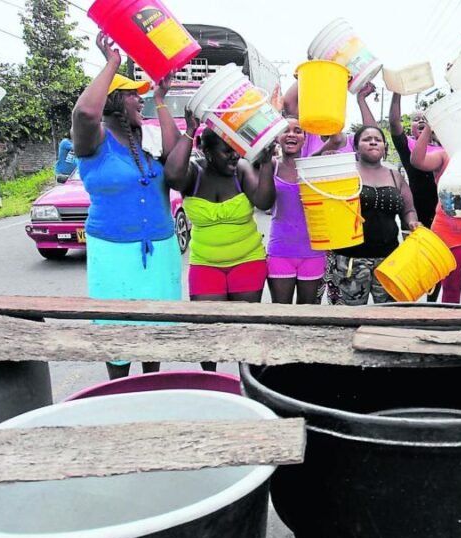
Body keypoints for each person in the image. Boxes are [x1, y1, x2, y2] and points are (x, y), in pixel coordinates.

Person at [71, 33, 182, 380]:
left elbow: (177, 156)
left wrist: (161, 99)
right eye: (133, 95)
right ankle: (119, 391)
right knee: (116, 333)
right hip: (114, 253)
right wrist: (112, 63)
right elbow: (86, 112)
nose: (140, 100)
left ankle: (150, 385)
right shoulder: (94, 142)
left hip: (160, 249)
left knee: (155, 332)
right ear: (115, 101)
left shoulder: (143, 141)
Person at [165, 110, 270, 310]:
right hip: (205, 265)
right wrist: (190, 131)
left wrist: (266, 165)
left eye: (236, 150)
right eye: (227, 151)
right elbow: (172, 176)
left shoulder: (242, 169)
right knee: (209, 327)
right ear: (207, 152)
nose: (234, 156)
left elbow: (264, 202)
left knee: (243, 325)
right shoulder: (193, 175)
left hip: (248, 261)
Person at [357, 87, 444, 302]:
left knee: (435, 274)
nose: (422, 121)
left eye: (427, 118)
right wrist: (398, 91)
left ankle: (430, 313)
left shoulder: (447, 149)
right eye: (416, 119)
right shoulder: (410, 148)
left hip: (441, 218)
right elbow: (393, 123)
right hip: (416, 219)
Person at [325, 125, 419, 305]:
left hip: (389, 260)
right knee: (347, 319)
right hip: (349, 259)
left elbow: (408, 209)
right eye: (367, 139)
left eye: (378, 139)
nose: (373, 142)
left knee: (388, 318)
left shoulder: (395, 176)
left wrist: (412, 222)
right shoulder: (343, 173)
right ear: (356, 147)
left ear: (385, 146)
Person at [255, 117, 335, 304]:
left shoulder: (314, 167)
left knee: (306, 313)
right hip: (280, 251)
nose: (291, 134)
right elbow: (263, 203)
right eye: (286, 130)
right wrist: (265, 163)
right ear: (277, 137)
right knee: (281, 313)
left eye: (298, 131)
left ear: (305, 138)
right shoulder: (271, 165)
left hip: (313, 252)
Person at [412, 124, 461, 304]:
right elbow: (417, 161)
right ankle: (450, 326)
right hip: (448, 231)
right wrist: (428, 128)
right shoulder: (443, 156)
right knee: (452, 288)